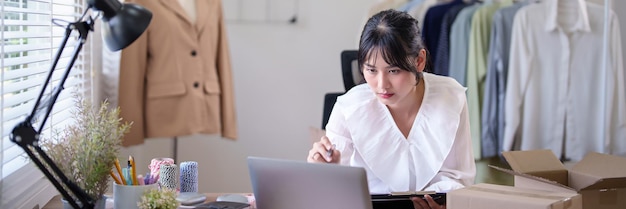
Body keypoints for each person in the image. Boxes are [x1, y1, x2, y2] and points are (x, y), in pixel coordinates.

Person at [307, 9, 475, 209]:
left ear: (419, 61)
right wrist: (325, 168)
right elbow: (327, 191)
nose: (381, 84)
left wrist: (446, 204)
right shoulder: (349, 107)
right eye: (371, 70)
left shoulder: (451, 97)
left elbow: (458, 176)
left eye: (393, 71)